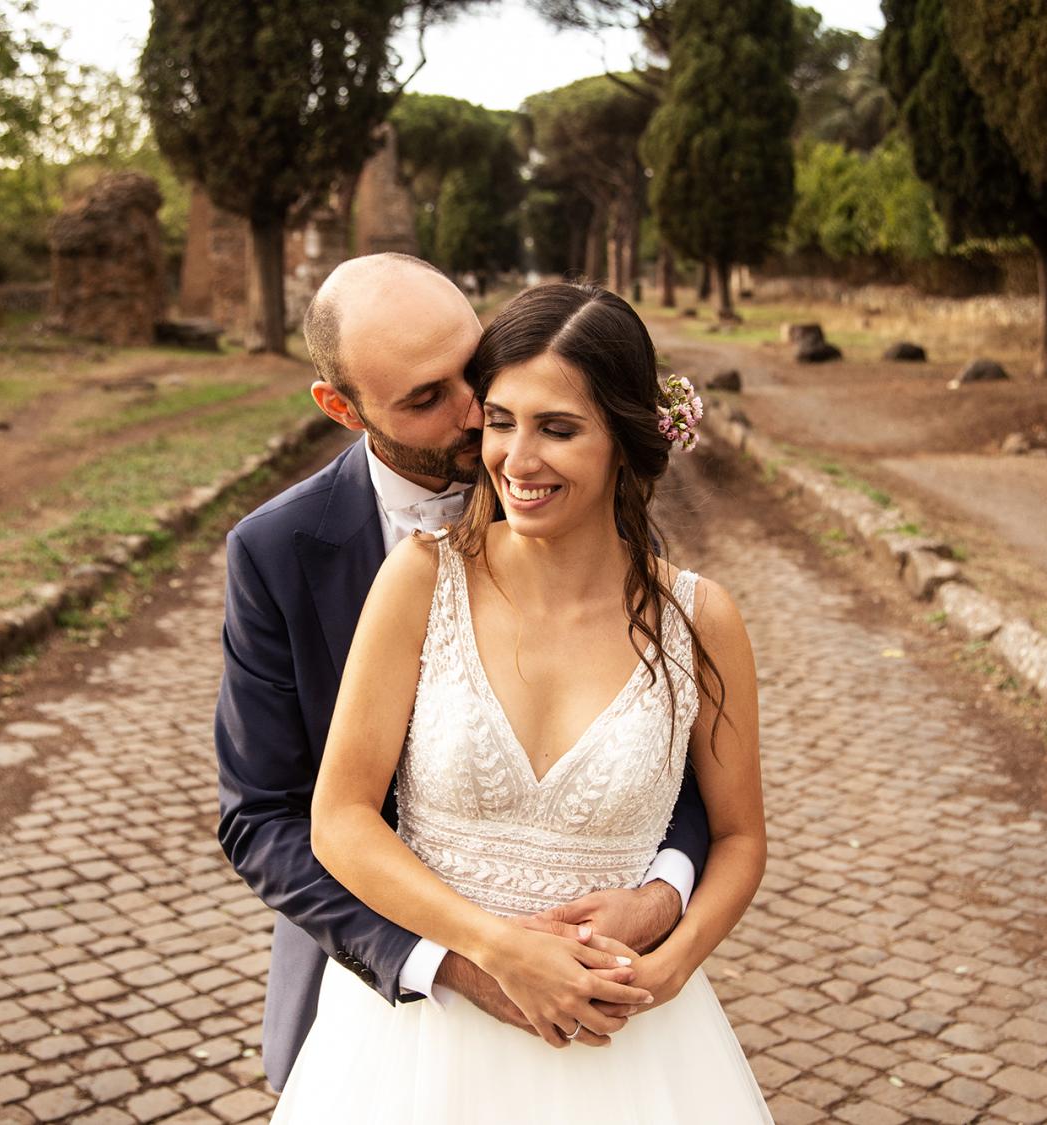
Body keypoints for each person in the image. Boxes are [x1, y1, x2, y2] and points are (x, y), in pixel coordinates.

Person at [269, 281, 770, 1121]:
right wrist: (495, 947)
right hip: (418, 1047)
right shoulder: (420, 579)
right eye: (500, 421)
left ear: (624, 438)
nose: (517, 459)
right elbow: (340, 818)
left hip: (626, 1040)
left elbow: (739, 836)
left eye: (558, 429)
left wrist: (673, 963)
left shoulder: (701, 619)